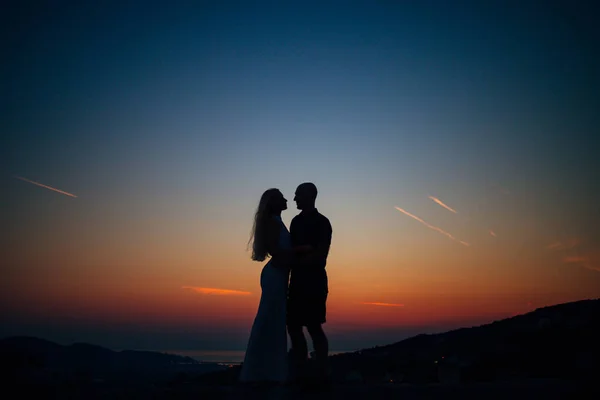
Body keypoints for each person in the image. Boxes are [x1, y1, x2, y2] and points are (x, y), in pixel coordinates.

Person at [239, 188, 311, 385]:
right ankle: (261, 372)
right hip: (275, 276)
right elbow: (277, 252)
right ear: (273, 202)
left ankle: (269, 371)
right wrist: (300, 251)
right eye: (281, 198)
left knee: (274, 321)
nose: (287, 199)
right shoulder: (272, 223)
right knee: (268, 320)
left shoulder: (278, 222)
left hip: (279, 276)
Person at [287, 182, 333, 385]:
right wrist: (303, 250)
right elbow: (292, 250)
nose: (294, 199)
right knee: (293, 325)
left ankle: (321, 372)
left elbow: (320, 257)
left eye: (297, 195)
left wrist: (299, 255)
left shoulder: (323, 223)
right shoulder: (295, 222)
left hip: (314, 282)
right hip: (297, 282)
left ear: (309, 196)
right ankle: (301, 369)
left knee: (314, 326)